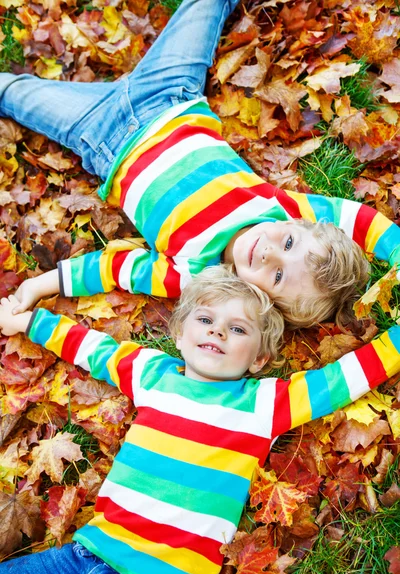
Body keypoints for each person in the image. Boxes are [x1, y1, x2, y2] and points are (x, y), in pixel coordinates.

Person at [0, 265, 400, 574]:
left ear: (260, 358)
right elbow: (89, 347)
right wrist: (23, 320)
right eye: (206, 320)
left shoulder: (265, 403)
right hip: (81, 559)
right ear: (179, 334)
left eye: (238, 329)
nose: (218, 332)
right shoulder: (151, 373)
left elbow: (346, 377)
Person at [1, 0, 399, 328]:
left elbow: (114, 268)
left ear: (259, 300)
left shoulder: (191, 274)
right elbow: (357, 218)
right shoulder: (280, 208)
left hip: (100, 135)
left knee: (12, 93)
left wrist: (40, 286)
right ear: (297, 226)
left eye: (277, 276)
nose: (270, 252)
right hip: (170, 93)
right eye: (290, 243)